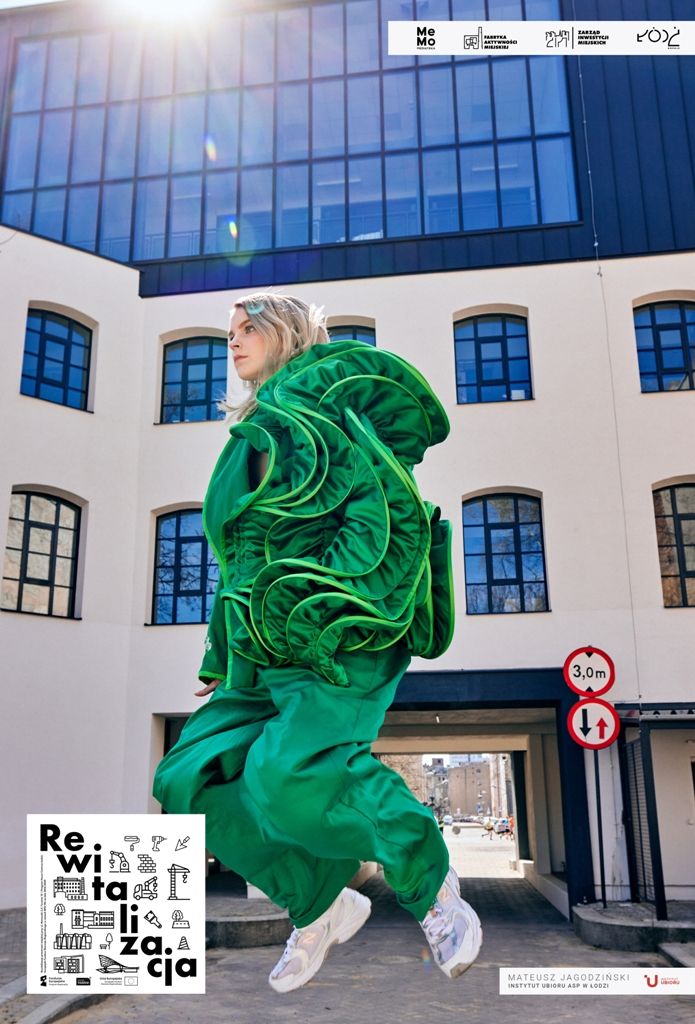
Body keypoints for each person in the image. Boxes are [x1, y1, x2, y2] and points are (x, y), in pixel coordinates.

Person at [152, 292, 482, 993]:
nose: (234, 342)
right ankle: (322, 902)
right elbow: (237, 559)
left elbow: (384, 510)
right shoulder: (252, 434)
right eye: (230, 331)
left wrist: (326, 601)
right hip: (255, 645)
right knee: (187, 780)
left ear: (287, 332)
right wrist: (219, 655)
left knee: (289, 774)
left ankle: (431, 886)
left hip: (334, 628)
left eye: (249, 328)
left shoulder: (325, 405)